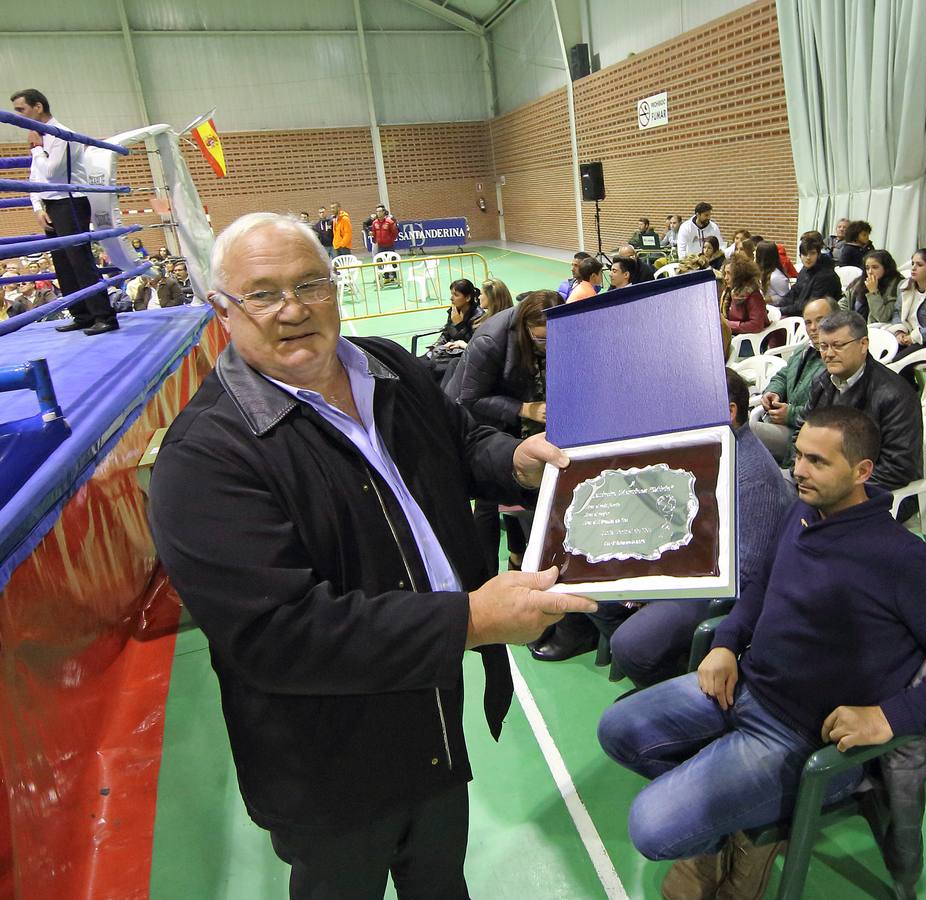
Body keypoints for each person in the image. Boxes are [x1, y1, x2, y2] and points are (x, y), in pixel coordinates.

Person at [147, 212, 596, 897]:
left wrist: (515, 462)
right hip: (329, 761)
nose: (293, 309)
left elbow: (461, 440)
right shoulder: (205, 458)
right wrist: (468, 622)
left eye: (310, 285)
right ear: (222, 310)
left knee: (441, 883)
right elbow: (280, 635)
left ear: (337, 286)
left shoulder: (385, 365)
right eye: (263, 293)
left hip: (433, 717)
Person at [598, 406, 926, 897]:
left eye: (817, 461)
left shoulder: (904, 560)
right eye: (797, 456)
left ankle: (752, 834)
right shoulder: (804, 511)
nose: (798, 470)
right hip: (745, 685)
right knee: (618, 730)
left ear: (862, 472)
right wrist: (728, 642)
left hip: (800, 736)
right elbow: (764, 582)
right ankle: (744, 824)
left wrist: (889, 718)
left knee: (651, 827)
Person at [609, 371, 796, 687]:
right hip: (684, 560)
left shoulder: (754, 477)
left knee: (629, 646)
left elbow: (744, 572)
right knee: (591, 594)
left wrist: (665, 579)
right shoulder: (707, 450)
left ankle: (669, 688)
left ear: (730, 412)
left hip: (710, 585)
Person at [461, 290, 560, 581]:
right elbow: (468, 399)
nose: (548, 347)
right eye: (541, 340)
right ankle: (487, 579)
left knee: (518, 500)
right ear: (525, 328)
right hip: (482, 426)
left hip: (517, 424)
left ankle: (517, 559)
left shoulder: (544, 331)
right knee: (489, 503)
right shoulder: (491, 341)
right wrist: (524, 409)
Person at [10, 88, 118, 335]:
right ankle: (82, 315)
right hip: (50, 205)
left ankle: (104, 316)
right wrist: (38, 207)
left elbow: (52, 173)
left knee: (80, 261)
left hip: (70, 201)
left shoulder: (61, 135)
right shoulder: (41, 137)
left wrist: (37, 149)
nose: (19, 117)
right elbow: (34, 177)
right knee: (63, 264)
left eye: (21, 110)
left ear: (38, 107)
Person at [804, 311, 923, 496]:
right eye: (823, 346)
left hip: (875, 491)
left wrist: (836, 483)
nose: (828, 354)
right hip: (822, 476)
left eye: (838, 346)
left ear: (863, 345)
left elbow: (897, 469)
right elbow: (802, 427)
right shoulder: (822, 381)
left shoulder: (896, 395)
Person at [753, 298, 830, 467]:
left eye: (820, 320)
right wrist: (773, 392)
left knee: (745, 432)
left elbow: (829, 415)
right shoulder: (803, 350)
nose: (813, 328)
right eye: (808, 322)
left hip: (802, 435)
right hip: (779, 421)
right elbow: (783, 375)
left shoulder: (834, 362)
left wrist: (790, 414)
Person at [780, 235, 842, 317]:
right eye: (805, 254)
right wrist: (778, 305)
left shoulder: (826, 276)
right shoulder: (805, 269)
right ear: (800, 256)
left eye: (812, 253)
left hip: (821, 318)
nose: (808, 257)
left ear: (818, 255)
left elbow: (812, 304)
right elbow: (794, 292)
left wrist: (782, 310)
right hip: (803, 313)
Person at [846, 249, 901, 324]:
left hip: (877, 329)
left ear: (886, 268)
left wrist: (873, 292)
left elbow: (882, 317)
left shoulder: (896, 285)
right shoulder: (860, 281)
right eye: (867, 268)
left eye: (875, 267)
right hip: (853, 325)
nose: (870, 271)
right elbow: (845, 302)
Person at [721, 253, 768, 340]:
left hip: (749, 340)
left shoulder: (754, 295)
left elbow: (756, 325)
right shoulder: (731, 291)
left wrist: (729, 325)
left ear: (739, 275)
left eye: (729, 274)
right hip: (734, 335)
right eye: (725, 273)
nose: (725, 278)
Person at [755, 240, 791, 307]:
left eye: (756, 252)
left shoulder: (776, 277)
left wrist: (769, 299)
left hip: (776, 311)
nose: (754, 253)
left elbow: (787, 298)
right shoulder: (760, 271)